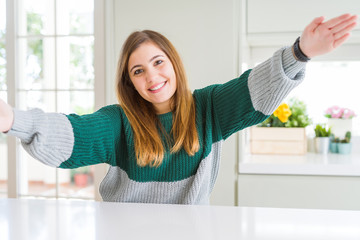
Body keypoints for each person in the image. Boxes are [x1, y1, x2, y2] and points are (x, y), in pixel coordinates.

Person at [0, 14, 357, 204]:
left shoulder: (210, 107)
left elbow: (256, 91)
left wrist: (299, 52)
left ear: (173, 62)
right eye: (138, 71)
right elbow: (73, 134)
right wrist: (13, 120)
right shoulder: (118, 122)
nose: (152, 77)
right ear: (130, 82)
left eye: (158, 62)